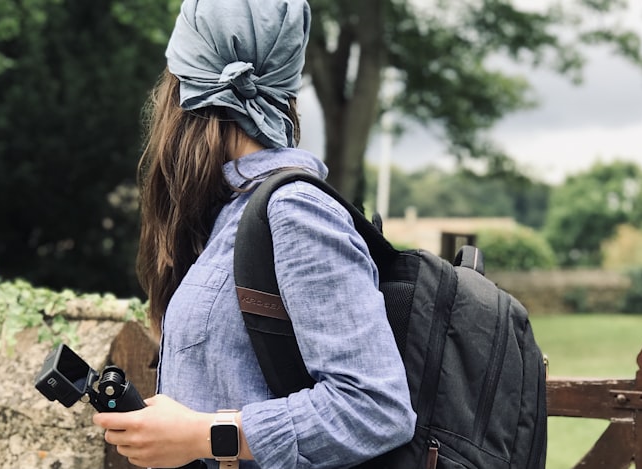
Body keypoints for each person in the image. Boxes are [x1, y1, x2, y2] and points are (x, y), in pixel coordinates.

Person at [92, 1, 416, 468]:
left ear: (190, 88)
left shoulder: (294, 213)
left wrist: (206, 435)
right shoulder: (231, 213)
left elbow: (376, 408)